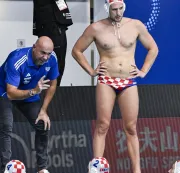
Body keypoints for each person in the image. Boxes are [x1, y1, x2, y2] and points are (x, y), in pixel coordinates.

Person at [71, 0, 158, 173]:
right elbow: (76, 50)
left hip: (128, 81)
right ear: (107, 9)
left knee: (131, 128)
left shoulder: (135, 25)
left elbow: (153, 48)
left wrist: (143, 71)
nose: (118, 12)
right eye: (114, 9)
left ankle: (136, 170)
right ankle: (96, 168)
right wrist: (91, 70)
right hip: (106, 80)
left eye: (120, 9)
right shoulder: (96, 28)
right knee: (102, 125)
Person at [0, 36, 58, 173]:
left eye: (48, 53)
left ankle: (42, 168)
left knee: (42, 124)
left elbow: (52, 85)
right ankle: (6, 168)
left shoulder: (52, 59)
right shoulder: (17, 60)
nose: (46, 57)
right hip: (4, 92)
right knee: (7, 125)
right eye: (42, 53)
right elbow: (11, 93)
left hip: (30, 93)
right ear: (34, 47)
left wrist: (44, 110)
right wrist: (34, 91)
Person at [33, 0, 73, 86]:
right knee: (50, 63)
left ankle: (52, 90)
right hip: (51, 26)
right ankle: (49, 91)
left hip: (54, 25)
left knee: (57, 64)